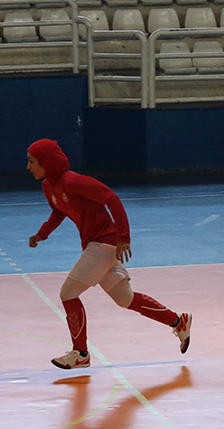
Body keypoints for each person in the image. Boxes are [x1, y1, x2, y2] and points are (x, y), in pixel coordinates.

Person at [27, 139, 192, 369]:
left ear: (46, 163)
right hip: (97, 246)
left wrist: (124, 236)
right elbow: (58, 211)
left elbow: (111, 198)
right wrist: (42, 234)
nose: (28, 166)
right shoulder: (49, 186)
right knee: (126, 299)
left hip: (104, 245)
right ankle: (178, 321)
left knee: (68, 293)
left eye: (32, 161)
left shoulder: (75, 182)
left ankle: (81, 353)